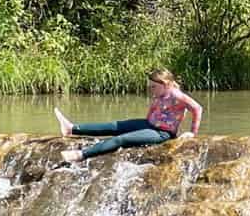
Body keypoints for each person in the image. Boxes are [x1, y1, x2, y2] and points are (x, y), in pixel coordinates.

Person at [54, 68, 203, 163]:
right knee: (116, 126)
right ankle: (72, 129)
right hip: (149, 125)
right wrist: (145, 121)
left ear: (166, 84)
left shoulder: (178, 96)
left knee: (121, 139)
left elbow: (197, 108)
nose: (151, 89)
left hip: (162, 133)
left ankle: (81, 155)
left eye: (153, 87)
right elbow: (153, 108)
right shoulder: (160, 93)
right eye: (150, 86)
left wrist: (192, 133)